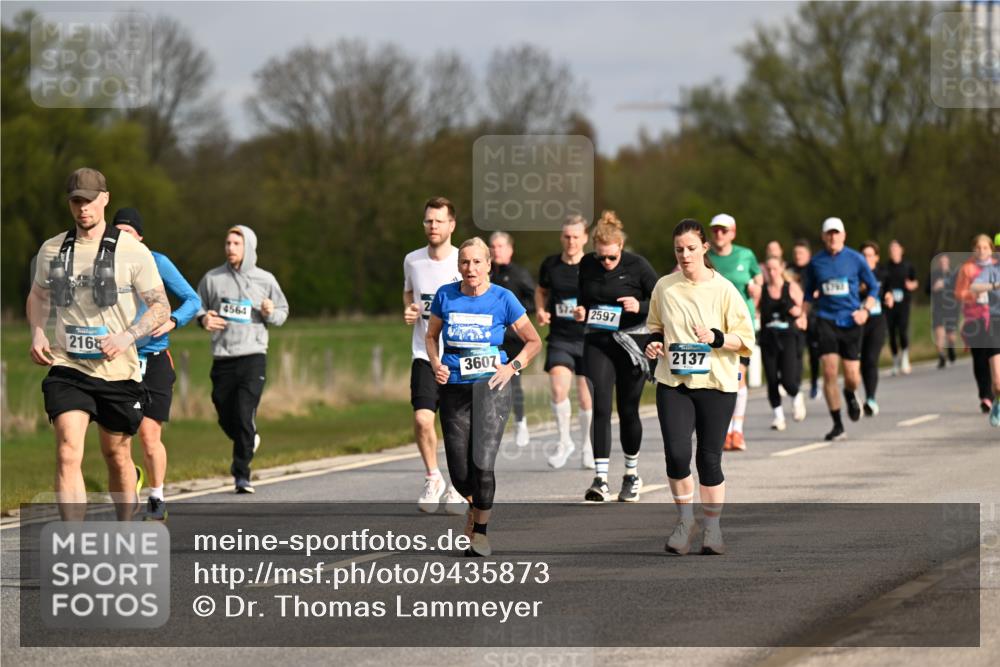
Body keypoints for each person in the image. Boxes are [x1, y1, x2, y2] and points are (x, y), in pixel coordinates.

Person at [28, 168, 169, 520]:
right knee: (67, 451)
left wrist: (127, 336)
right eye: (76, 201)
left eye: (89, 201)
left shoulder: (133, 252)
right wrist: (37, 330)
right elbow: (38, 295)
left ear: (104, 199)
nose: (83, 209)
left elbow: (160, 306)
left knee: (117, 456)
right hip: (68, 365)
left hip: (118, 371)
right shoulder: (52, 249)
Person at [425, 237, 542, 556]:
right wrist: (436, 364)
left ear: (489, 265)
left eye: (477, 262)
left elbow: (533, 341)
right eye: (465, 262)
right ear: (458, 266)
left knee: (484, 465)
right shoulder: (445, 296)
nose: (470, 268)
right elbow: (431, 336)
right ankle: (473, 507)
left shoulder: (503, 299)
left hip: (492, 389)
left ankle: (481, 533)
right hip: (454, 388)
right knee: (461, 474)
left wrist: (512, 367)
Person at [645, 219, 755, 556]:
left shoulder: (723, 289)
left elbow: (745, 339)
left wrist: (715, 337)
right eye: (679, 249)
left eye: (691, 248)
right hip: (674, 382)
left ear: (705, 248)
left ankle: (713, 528)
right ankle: (684, 521)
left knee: (709, 460)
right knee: (677, 456)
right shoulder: (665, 286)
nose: (685, 255)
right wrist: (653, 345)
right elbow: (654, 326)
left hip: (717, 383)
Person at [114, 208, 201, 521]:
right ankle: (129, 475)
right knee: (119, 438)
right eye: (117, 232)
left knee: (150, 437)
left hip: (155, 359)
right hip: (119, 361)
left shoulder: (157, 262)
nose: (122, 238)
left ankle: (156, 496)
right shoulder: (103, 267)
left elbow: (193, 300)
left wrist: (174, 321)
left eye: (128, 232)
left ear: (140, 237)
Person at [573, 212, 658, 502]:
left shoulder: (638, 265)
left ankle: (631, 475)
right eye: (601, 258)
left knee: (628, 409)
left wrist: (640, 304)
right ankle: (600, 479)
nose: (606, 263)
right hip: (597, 340)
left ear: (620, 247)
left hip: (631, 342)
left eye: (611, 258)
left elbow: (662, 301)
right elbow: (583, 298)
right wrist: (581, 311)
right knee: (600, 406)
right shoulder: (587, 264)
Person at [196, 225, 289, 494]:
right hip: (223, 357)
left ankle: (241, 474)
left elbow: (282, 312)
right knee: (225, 412)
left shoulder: (265, 279)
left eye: (236, 244)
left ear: (248, 247)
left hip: (253, 355)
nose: (230, 248)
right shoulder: (212, 278)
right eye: (227, 243)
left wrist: (270, 312)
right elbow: (197, 305)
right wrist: (204, 318)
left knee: (245, 411)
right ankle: (249, 439)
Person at [403, 197, 466, 512]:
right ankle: (433, 478)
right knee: (423, 419)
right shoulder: (412, 260)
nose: (432, 226)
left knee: (455, 425)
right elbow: (409, 293)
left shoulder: (464, 261)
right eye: (428, 220)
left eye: (439, 221)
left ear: (451, 225)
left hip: (459, 357)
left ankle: (457, 485)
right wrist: (410, 309)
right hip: (424, 354)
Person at [802, 217, 880, 442]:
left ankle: (849, 393)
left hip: (852, 321)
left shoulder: (855, 259)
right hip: (826, 321)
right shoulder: (816, 263)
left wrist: (865, 309)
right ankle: (837, 424)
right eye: (829, 233)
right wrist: (803, 316)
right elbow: (808, 294)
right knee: (828, 371)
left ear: (843, 235)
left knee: (853, 377)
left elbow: (873, 287)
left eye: (836, 233)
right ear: (823, 236)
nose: (833, 237)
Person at [535, 216, 595, 470]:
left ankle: (587, 446)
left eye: (576, 236)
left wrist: (588, 311)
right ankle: (564, 442)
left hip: (588, 337)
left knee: (585, 398)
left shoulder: (594, 265)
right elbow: (541, 290)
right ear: (562, 237)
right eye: (567, 236)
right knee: (559, 390)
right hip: (560, 337)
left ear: (584, 238)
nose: (571, 241)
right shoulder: (550, 264)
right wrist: (540, 310)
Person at [707, 214, 762, 451]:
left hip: (741, 327)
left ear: (733, 232)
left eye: (724, 230)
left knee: (738, 376)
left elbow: (759, 283)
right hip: (712, 328)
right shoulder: (704, 256)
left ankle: (736, 431)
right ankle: (723, 431)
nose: (719, 234)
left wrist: (755, 293)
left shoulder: (745, 255)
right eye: (716, 230)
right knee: (718, 379)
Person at [488, 232, 537, 447]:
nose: (496, 250)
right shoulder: (485, 274)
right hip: (492, 339)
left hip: (514, 339)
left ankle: (520, 422)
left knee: (513, 381)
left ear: (510, 249)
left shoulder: (519, 274)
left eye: (500, 246)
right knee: (489, 382)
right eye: (493, 246)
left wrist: (516, 316)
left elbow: (534, 299)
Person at [759, 256, 807, 430]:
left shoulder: (791, 287)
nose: (772, 273)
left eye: (775, 268)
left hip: (787, 337)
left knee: (787, 380)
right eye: (769, 269)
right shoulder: (762, 290)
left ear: (781, 268)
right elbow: (755, 310)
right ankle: (778, 417)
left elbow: (803, 307)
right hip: (768, 339)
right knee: (771, 379)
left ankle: (796, 396)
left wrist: (800, 313)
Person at [955, 235, 998, 414]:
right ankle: (985, 396)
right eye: (978, 248)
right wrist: (973, 296)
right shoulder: (967, 269)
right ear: (973, 250)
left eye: (985, 247)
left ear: (991, 249)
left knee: (995, 358)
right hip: (975, 319)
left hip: (994, 318)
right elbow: (959, 293)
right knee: (980, 358)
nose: (982, 251)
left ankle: (996, 389)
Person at [968, 244, 1000, 426]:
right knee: (997, 383)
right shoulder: (992, 270)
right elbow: (974, 286)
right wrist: (995, 285)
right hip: (996, 325)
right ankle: (998, 401)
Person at [788, 239, 821, 400]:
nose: (798, 256)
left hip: (813, 315)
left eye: (801, 253)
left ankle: (815, 382)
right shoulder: (789, 270)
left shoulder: (814, 268)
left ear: (808, 254)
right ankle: (797, 384)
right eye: (795, 253)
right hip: (796, 317)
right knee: (797, 351)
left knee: (814, 352)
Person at [859, 241, 889, 416]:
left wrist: (889, 296)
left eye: (870, 255)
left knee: (871, 359)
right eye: (864, 255)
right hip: (859, 322)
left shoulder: (883, 274)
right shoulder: (854, 274)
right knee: (860, 362)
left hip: (877, 321)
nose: (867, 259)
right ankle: (860, 393)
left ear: (877, 257)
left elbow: (888, 291)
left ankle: (870, 398)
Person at [882, 240, 919, 375]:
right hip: (889, 305)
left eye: (896, 249)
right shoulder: (885, 267)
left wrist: (912, 285)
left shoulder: (908, 266)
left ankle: (905, 358)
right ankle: (895, 362)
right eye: (891, 249)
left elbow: (915, 282)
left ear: (901, 250)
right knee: (891, 334)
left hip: (904, 304)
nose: (894, 251)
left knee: (902, 331)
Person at [928, 254, 959, 369]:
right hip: (938, 307)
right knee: (939, 333)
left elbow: (960, 289)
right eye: (941, 261)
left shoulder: (954, 274)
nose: (943, 263)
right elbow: (927, 289)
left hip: (951, 307)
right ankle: (941, 356)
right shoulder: (934, 274)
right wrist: (934, 288)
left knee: (951, 335)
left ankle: (951, 347)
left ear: (948, 262)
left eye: (945, 261)